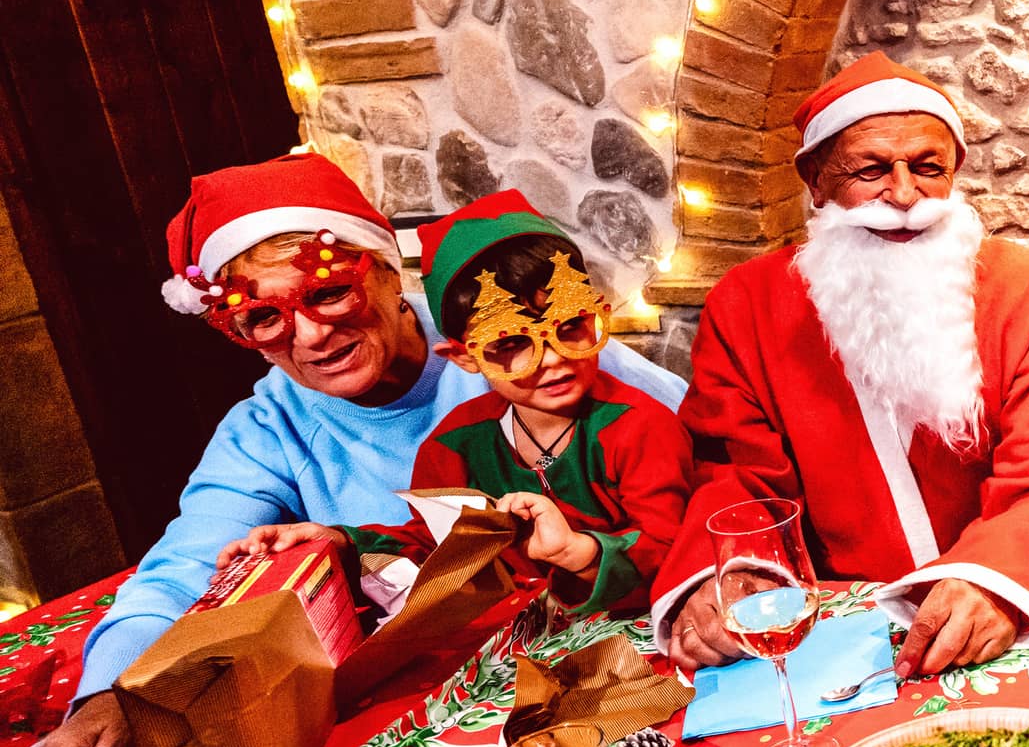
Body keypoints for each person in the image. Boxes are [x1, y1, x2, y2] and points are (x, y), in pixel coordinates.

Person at [9, 155, 685, 747]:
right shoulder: (269, 426)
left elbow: (702, 450)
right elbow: (182, 566)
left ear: (391, 275)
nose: (310, 334)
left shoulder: (511, 337)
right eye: (264, 317)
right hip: (458, 727)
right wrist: (105, 698)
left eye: (329, 293)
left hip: (615, 670)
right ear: (238, 333)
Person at [651, 53, 1029, 681]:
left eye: (927, 168)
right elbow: (737, 478)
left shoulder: (1028, 289)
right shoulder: (746, 304)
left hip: (1004, 608)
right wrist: (738, 571)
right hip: (831, 629)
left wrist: (992, 581)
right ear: (816, 182)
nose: (906, 196)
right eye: (871, 170)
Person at [218, 191, 695, 617]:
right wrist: (338, 543)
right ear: (465, 357)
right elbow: (431, 548)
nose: (550, 360)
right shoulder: (456, 444)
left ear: (598, 321)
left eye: (569, 329)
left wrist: (581, 552)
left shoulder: (640, 426)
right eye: (510, 344)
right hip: (509, 653)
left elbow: (675, 550)